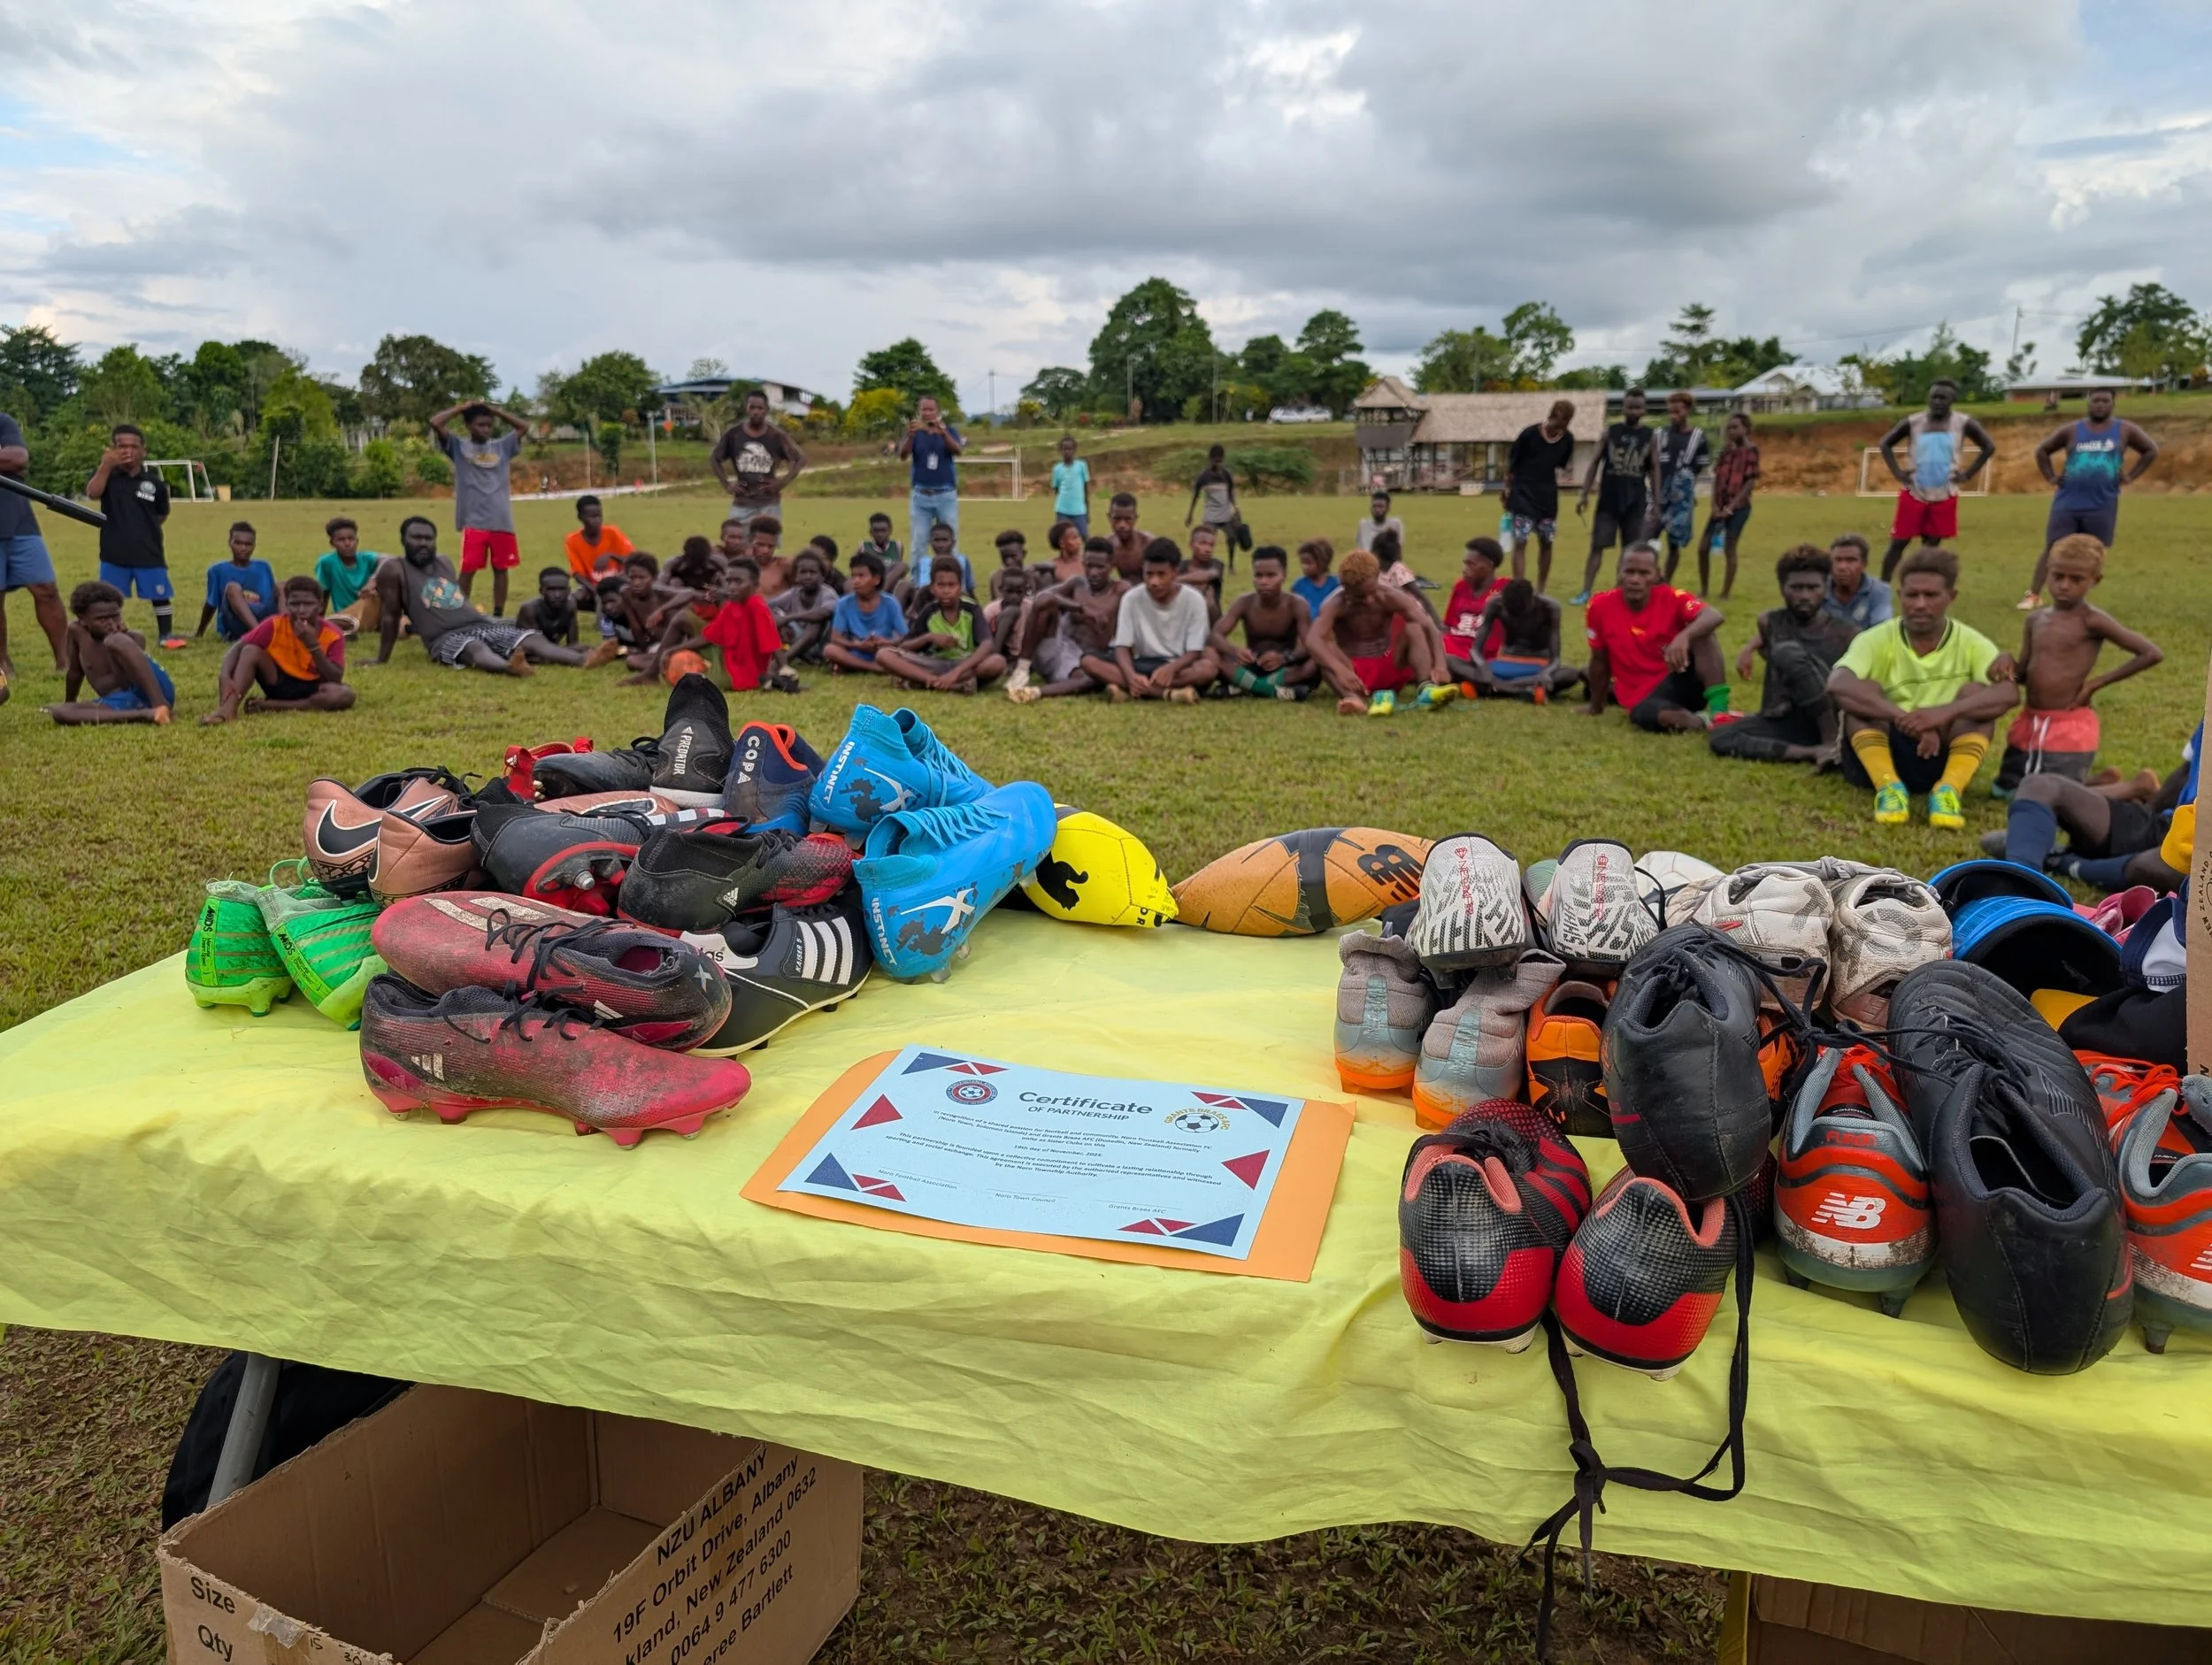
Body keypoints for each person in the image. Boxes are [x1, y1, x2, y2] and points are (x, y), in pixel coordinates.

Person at [1827, 547, 2016, 828]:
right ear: (1900, 595)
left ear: (1951, 597)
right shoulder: (1876, 639)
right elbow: (1837, 683)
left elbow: (2009, 693)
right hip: (1885, 749)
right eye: (1912, 595)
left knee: (1976, 695)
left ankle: (1948, 791)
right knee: (1863, 690)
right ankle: (1889, 789)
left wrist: (1943, 714)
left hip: (1941, 750)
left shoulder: (1971, 641)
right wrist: (1903, 718)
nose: (1920, 604)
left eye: (1931, 595)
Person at [1996, 534, 2162, 794]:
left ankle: (2138, 786)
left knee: (2052, 797)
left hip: (2067, 726)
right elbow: (2024, 675)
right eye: (2058, 576)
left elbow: (2151, 653)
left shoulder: (2091, 620)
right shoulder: (2036, 620)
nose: (2064, 586)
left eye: (2076, 580)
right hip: (2032, 722)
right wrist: (2006, 661)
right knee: (2005, 790)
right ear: (2046, 574)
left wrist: (2094, 684)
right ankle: (2102, 783)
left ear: (2095, 581)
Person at [373, 516, 596, 675]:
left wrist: (490, 620)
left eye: (428, 538)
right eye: (416, 538)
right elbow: (390, 616)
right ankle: (510, 668)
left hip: (480, 623)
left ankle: (583, 659)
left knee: (530, 638)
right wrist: (381, 658)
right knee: (474, 649)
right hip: (444, 637)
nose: (423, 543)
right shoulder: (394, 569)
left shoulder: (444, 562)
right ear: (403, 540)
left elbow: (455, 600)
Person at [1709, 547, 1858, 766]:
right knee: (1721, 737)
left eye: (1812, 587)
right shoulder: (1770, 623)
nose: (1804, 596)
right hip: (1783, 721)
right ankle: (1809, 753)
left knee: (1787, 652)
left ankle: (1830, 741)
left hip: (1830, 720)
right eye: (1796, 588)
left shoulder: (1847, 633)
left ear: (1826, 588)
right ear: (1782, 588)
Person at [2023, 388, 2159, 608]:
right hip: (2068, 500)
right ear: (2088, 403)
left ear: (2113, 404)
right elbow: (2042, 451)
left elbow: (2151, 450)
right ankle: (2033, 595)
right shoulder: (2072, 430)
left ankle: (2079, 596)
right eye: (2096, 400)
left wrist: (2131, 476)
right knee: (2054, 547)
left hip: (2102, 502)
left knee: (2094, 551)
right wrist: (2051, 476)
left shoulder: (2124, 430)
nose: (2100, 405)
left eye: (2105, 401)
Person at [1578, 542, 1728, 732]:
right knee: (1658, 717)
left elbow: (1714, 615)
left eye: (1643, 573)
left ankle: (1720, 712)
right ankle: (1700, 722)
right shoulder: (1599, 606)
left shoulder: (1673, 597)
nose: (1635, 579)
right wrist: (1595, 707)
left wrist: (1684, 636)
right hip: (1644, 699)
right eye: (1629, 572)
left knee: (1703, 633)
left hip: (1679, 682)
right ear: (1619, 572)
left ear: (1656, 575)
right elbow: (1599, 660)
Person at [2001, 754, 2190, 895]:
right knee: (2039, 786)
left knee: (2162, 865)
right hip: (2165, 822)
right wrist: (2139, 819)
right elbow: (2186, 774)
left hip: (2189, 846)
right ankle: (2016, 887)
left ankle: (2062, 861)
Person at [1307, 548, 1448, 717]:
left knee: (1414, 626)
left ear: (1377, 577)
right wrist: (1340, 670)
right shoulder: (1335, 603)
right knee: (1323, 648)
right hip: (1354, 677)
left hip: (1390, 665)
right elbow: (1312, 640)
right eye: (1359, 597)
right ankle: (1353, 700)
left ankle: (1426, 689)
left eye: (1371, 592)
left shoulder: (1390, 596)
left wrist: (1440, 664)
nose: (1368, 599)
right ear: (1346, 588)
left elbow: (1428, 625)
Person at [1877, 380, 1993, 581]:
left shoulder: (1963, 423)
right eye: (1934, 397)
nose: (1937, 402)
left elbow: (1988, 447)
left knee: (1931, 545)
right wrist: (1897, 472)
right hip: (1915, 491)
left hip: (1944, 493)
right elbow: (1885, 443)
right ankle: (1883, 585)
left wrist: (1968, 474)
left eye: (1943, 398)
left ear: (1952, 400)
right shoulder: (1914, 422)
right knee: (1899, 541)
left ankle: (1922, 583)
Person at [203, 576, 355, 725]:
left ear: (321, 606)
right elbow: (237, 648)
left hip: (313, 688)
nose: (301, 610)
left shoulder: (333, 634)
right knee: (250, 650)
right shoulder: (274, 624)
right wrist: (224, 675)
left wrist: (313, 645)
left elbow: (335, 677)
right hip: (277, 681)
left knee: (344, 694)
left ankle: (275, 705)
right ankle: (228, 709)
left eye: (308, 604)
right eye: (295, 604)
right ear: (286, 604)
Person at [427, 400, 529, 615]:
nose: (485, 429)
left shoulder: (502, 446)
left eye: (488, 425)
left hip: (501, 520)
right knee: (468, 569)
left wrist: (496, 411)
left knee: (501, 569)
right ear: (468, 426)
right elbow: (435, 423)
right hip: (473, 521)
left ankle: (498, 613)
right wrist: (460, 409)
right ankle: (459, 611)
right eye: (480, 425)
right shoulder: (458, 446)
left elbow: (524, 427)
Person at [85, 423, 181, 648]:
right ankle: (108, 632)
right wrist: (105, 466)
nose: (127, 451)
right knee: (108, 597)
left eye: (133, 446)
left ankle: (166, 635)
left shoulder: (155, 484)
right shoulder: (108, 477)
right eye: (121, 446)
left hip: (148, 550)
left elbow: (161, 514)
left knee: (159, 593)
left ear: (143, 451)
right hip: (113, 551)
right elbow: (92, 493)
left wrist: (143, 531)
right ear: (113, 449)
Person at [1091, 537, 1217, 704]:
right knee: (1089, 662)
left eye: (1161, 575)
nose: (1154, 582)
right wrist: (1131, 676)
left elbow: (1195, 650)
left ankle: (1132, 691)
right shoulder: (1132, 598)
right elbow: (1122, 647)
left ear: (1175, 573)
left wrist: (1171, 668)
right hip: (1142, 663)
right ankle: (1167, 694)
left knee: (1207, 669)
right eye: (1149, 574)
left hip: (1178, 666)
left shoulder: (1194, 600)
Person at [1573, 388, 1663, 605]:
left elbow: (1655, 469)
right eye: (1630, 406)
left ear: (1644, 409)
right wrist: (1584, 493)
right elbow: (1594, 462)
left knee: (1630, 550)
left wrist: (1658, 502)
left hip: (1635, 501)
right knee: (1597, 546)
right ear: (1623, 407)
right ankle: (1586, 591)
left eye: (1638, 407)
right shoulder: (1610, 432)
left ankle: (1619, 590)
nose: (1633, 411)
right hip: (1609, 500)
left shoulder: (1650, 436)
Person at [1006, 543, 1127, 703]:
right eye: (1089, 566)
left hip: (1084, 661)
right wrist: (1081, 609)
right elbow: (1042, 598)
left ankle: (1033, 693)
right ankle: (1022, 670)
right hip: (1055, 648)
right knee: (1046, 604)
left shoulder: (1121, 591)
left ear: (1113, 566)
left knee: (1091, 678)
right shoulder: (1078, 583)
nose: (1093, 573)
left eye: (1100, 567)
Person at [44, 579, 176, 725]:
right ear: (82, 620)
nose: (111, 623)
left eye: (115, 616)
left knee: (115, 641)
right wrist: (69, 703)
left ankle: (161, 707)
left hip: (151, 691)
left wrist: (120, 638)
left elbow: (127, 679)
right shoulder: (76, 632)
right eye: (102, 619)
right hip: (121, 701)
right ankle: (145, 714)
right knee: (61, 713)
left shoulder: (131, 638)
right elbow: (75, 673)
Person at [0, 406, 65, 686]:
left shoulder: (3, 421)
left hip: (19, 519)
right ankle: (2, 662)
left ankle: (65, 659)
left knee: (46, 589)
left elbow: (18, 459)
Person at [873, 561, 1003, 693]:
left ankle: (922, 682)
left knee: (997, 662)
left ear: (960, 587)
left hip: (964, 664)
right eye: (941, 585)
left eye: (951, 585)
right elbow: (905, 647)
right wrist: (929, 638)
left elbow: (987, 644)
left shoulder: (971, 609)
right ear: (932, 588)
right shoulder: (929, 611)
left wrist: (955, 673)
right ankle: (940, 683)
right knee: (883, 654)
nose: (946, 590)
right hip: (933, 663)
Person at [1210, 545, 1316, 700]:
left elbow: (1310, 644)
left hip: (1285, 669)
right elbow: (1215, 635)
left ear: (1284, 575)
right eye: (1258, 575)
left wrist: (1284, 658)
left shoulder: (1297, 604)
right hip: (1251, 666)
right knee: (1210, 654)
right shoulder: (1244, 602)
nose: (1263, 581)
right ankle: (1272, 690)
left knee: (1317, 660)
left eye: (1271, 575)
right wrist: (1235, 651)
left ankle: (1247, 687)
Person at [1463, 579, 1583, 700]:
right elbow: (1475, 650)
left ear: (1533, 599)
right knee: (1451, 661)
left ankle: (1494, 688)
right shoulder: (1495, 604)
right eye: (1512, 613)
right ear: (1503, 601)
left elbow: (1556, 659)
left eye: (1523, 612)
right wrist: (1483, 667)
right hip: (1505, 661)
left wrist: (1546, 673)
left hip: (1537, 665)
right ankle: (1521, 690)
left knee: (1571, 674)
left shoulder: (1550, 608)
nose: (1519, 617)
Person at [1502, 399, 1575, 590]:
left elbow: (1562, 464)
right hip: (1522, 493)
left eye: (1564, 425)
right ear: (1550, 417)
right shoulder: (1529, 434)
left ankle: (1541, 588)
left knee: (1546, 542)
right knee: (1520, 540)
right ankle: (1520, 586)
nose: (1558, 429)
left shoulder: (1567, 440)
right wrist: (1507, 490)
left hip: (1547, 497)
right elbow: (1512, 465)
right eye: (1556, 423)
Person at [710, 388, 806, 530]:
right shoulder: (734, 434)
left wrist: (781, 483)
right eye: (752, 407)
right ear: (746, 409)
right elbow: (714, 458)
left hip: (769, 503)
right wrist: (727, 484)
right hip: (742, 503)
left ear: (766, 410)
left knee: (765, 547)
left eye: (760, 408)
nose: (756, 412)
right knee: (737, 544)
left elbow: (800, 459)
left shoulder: (776, 436)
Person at [697, 558, 798, 693]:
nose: (731, 586)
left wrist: (784, 667)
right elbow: (710, 636)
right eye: (729, 581)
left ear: (755, 585)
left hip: (741, 674)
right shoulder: (731, 605)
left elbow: (772, 639)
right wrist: (672, 650)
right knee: (684, 631)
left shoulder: (757, 605)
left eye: (738, 582)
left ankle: (773, 680)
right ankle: (771, 681)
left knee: (691, 676)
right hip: (728, 659)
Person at [1698, 412, 1760, 598]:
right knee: (1703, 547)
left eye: (1735, 427)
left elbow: (1749, 482)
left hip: (1739, 508)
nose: (1731, 431)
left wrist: (1731, 507)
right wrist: (1715, 505)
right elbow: (1717, 477)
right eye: (1729, 428)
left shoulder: (1751, 451)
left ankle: (1725, 592)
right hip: (1719, 507)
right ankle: (1704, 589)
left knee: (1729, 548)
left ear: (1746, 429)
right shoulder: (1726, 450)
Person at [1653, 392, 1712, 583]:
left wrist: (1686, 485)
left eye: (1677, 412)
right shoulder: (1659, 434)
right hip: (1657, 495)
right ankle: (1651, 574)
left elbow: (1700, 465)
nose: (1673, 416)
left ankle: (1666, 582)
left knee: (1674, 543)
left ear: (1687, 410)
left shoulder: (1698, 437)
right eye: (1670, 412)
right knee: (1648, 537)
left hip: (1681, 499)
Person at [823, 549, 907, 674]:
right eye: (853, 576)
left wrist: (887, 642)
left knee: (898, 653)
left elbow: (903, 636)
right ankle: (875, 668)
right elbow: (835, 638)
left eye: (861, 576)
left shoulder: (890, 603)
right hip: (857, 651)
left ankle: (853, 666)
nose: (855, 581)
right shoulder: (844, 603)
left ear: (876, 579)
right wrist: (858, 645)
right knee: (829, 650)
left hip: (883, 651)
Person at [899, 393, 964, 553]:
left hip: (945, 494)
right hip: (921, 496)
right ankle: (917, 578)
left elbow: (958, 451)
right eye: (924, 409)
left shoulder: (948, 431)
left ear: (937, 411)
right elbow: (902, 455)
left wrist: (943, 434)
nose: (927, 413)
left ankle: (951, 576)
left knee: (950, 541)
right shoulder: (914, 433)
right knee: (919, 543)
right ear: (919, 411)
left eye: (931, 409)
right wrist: (911, 436)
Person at [1440, 538, 1509, 685]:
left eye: (1471, 564)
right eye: (1465, 563)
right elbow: (1448, 626)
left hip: (1479, 651)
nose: (1465, 569)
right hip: (1453, 644)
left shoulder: (1504, 589)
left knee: (1439, 657)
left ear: (1489, 566)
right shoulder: (1461, 587)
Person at [196, 521, 278, 642]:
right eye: (238, 543)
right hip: (235, 622)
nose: (243, 548)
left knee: (283, 587)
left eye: (248, 544)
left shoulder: (263, 567)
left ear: (254, 546)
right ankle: (259, 635)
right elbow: (211, 604)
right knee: (232, 588)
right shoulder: (217, 570)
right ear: (230, 543)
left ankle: (285, 632)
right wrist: (199, 633)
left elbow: (274, 598)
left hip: (263, 617)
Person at [563, 495, 634, 609]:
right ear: (580, 517)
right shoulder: (572, 540)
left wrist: (611, 555)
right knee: (570, 600)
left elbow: (634, 560)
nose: (597, 520)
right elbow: (577, 574)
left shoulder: (612, 533)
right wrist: (594, 589)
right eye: (592, 517)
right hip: (592, 586)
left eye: (599, 516)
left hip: (619, 581)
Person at [315, 518, 383, 637]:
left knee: (376, 596)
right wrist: (317, 621)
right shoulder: (327, 562)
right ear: (332, 543)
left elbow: (392, 561)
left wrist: (373, 581)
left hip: (371, 609)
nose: (347, 543)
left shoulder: (367, 558)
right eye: (341, 540)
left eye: (351, 539)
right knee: (338, 622)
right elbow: (323, 594)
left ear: (357, 540)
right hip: (347, 614)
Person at [771, 549, 840, 664]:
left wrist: (788, 618)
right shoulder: (793, 593)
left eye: (813, 572)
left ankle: (783, 661)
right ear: (796, 576)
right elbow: (766, 607)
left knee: (817, 622)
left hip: (824, 646)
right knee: (773, 613)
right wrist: (781, 624)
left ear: (822, 576)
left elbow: (824, 612)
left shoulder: (827, 593)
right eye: (803, 572)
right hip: (801, 645)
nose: (808, 576)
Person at [1186, 444, 1240, 567]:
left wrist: (1236, 508)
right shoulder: (1204, 476)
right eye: (1216, 461)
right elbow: (1196, 495)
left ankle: (1231, 565)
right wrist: (1190, 514)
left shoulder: (1226, 474)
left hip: (1226, 513)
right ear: (1210, 460)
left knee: (1232, 538)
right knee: (1206, 540)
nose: (1219, 464)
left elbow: (1231, 492)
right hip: (1211, 515)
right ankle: (1204, 563)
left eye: (1220, 461)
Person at [1824, 533, 1892, 628]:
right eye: (1838, 560)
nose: (1842, 567)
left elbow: (1881, 629)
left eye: (1851, 560)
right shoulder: (1819, 589)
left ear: (1864, 564)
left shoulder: (1879, 591)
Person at [909, 521, 976, 597]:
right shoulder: (923, 563)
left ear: (953, 542)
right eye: (937, 540)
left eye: (945, 540)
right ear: (930, 542)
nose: (941, 545)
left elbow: (970, 590)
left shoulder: (962, 561)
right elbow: (917, 590)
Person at [515, 568, 580, 646]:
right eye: (551, 590)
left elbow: (573, 644)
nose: (557, 595)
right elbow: (537, 648)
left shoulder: (570, 607)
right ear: (541, 591)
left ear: (569, 591)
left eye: (562, 589)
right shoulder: (530, 610)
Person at [1050, 435, 1093, 540]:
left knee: (1085, 536)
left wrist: (1087, 510)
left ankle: (1088, 556)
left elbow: (1085, 489)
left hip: (1079, 510)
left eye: (1070, 449)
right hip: (1062, 511)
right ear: (1060, 451)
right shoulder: (1057, 469)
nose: (1067, 452)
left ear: (1074, 450)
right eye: (1065, 449)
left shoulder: (1081, 466)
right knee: (1062, 538)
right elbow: (1057, 489)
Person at [1181, 524, 1227, 617]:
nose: (1208, 549)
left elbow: (1209, 575)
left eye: (1211, 545)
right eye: (1203, 544)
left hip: (1211, 618)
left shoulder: (1217, 564)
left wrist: (1175, 580)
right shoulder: (1182, 565)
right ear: (1191, 545)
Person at [854, 513, 904, 593]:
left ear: (890, 531)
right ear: (870, 532)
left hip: (892, 585)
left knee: (902, 568)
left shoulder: (897, 546)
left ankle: (883, 594)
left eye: (883, 531)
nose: (880, 535)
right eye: (876, 531)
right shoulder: (864, 547)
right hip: (871, 583)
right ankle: (879, 593)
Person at [1105, 492, 1149, 581]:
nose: (1122, 525)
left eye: (1127, 519)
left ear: (1135, 518)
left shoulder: (1147, 544)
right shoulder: (1108, 545)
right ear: (1109, 517)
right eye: (1117, 519)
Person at [1293, 538, 1339, 616]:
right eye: (1302, 563)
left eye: (1308, 563)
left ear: (1322, 562)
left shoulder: (1335, 584)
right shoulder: (1299, 585)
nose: (1305, 567)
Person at [987, 530, 1029, 601]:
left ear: (1024, 554)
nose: (1009, 561)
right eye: (1004, 557)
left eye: (1013, 556)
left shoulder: (1032, 576)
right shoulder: (997, 577)